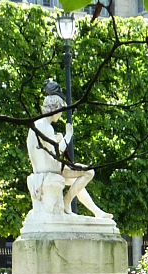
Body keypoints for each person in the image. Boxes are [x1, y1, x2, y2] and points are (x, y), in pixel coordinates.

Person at [26, 80, 113, 220]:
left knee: (75, 183)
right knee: (89, 172)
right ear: (56, 109)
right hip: (50, 170)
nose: (60, 116)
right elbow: (57, 153)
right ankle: (67, 203)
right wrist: (68, 136)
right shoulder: (46, 127)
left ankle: (97, 212)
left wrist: (57, 139)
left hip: (41, 170)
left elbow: (45, 149)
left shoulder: (37, 125)